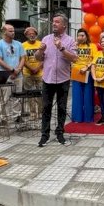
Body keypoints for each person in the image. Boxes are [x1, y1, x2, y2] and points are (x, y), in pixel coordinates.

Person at [35, 14, 78, 147]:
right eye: (53, 22)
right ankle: (45, 135)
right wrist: (40, 51)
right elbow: (37, 58)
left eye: (57, 22)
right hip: (47, 79)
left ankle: (60, 133)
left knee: (62, 107)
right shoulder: (46, 39)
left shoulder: (70, 40)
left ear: (64, 25)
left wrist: (62, 48)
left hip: (63, 79)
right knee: (46, 107)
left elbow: (74, 58)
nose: (54, 24)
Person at [0, 23, 26, 122]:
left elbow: (23, 58)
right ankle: (4, 118)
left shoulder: (18, 44)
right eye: (10, 31)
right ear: (4, 32)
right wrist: (12, 70)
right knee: (5, 97)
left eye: (13, 30)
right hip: (4, 74)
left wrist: (18, 70)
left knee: (18, 96)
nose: (13, 32)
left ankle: (17, 116)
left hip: (18, 74)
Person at [70, 28, 96, 123]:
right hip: (76, 71)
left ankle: (88, 117)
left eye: (82, 35)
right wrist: (74, 47)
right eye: (79, 35)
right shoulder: (74, 46)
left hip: (87, 72)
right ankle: (77, 117)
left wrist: (86, 67)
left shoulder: (92, 46)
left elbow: (95, 59)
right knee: (77, 95)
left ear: (86, 36)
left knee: (88, 95)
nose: (80, 37)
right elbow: (70, 57)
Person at [22, 27, 44, 118]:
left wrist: (37, 68)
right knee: (30, 94)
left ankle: (41, 113)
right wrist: (31, 68)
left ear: (36, 34)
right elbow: (22, 59)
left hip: (40, 73)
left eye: (33, 33)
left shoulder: (41, 44)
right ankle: (33, 113)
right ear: (26, 35)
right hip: (27, 73)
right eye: (29, 34)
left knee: (41, 93)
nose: (31, 35)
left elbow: (45, 58)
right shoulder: (22, 45)